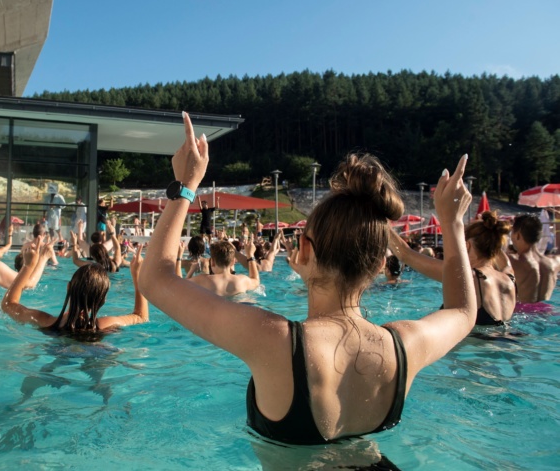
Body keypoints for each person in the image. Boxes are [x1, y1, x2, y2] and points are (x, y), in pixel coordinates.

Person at [139, 112, 476, 445]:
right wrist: (453, 223)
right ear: (377, 265)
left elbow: (155, 278)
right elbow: (463, 310)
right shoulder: (405, 346)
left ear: (303, 250)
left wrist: (186, 186)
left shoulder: (274, 341)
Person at [389, 210, 514, 325]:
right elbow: (505, 262)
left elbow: (405, 254)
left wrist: (381, 222)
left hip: (471, 348)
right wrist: (493, 240)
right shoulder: (510, 279)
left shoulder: (467, 277)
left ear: (467, 246)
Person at [1, 239, 149, 335]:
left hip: (57, 348)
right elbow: (141, 317)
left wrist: (28, 266)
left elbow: (8, 304)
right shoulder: (104, 325)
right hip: (97, 351)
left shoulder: (46, 321)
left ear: (68, 287)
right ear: (103, 299)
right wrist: (137, 276)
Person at [507, 214, 560, 303]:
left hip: (522, 313)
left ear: (518, 235)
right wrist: (558, 221)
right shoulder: (554, 262)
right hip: (546, 312)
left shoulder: (512, 261)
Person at [188, 238, 260, 297]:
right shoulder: (242, 281)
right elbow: (256, 281)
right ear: (233, 262)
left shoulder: (203, 280)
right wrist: (250, 255)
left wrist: (191, 270)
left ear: (212, 262)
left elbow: (182, 285)